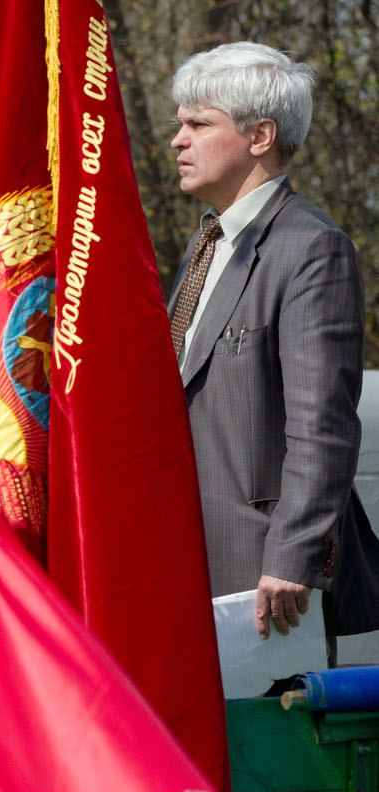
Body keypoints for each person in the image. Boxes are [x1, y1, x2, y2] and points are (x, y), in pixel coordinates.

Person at [169, 42, 379, 650]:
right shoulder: (205, 244)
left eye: (198, 124)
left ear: (260, 136)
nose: (178, 140)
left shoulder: (311, 247)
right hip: (181, 564)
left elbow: (324, 427)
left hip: (264, 585)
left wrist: (293, 557)